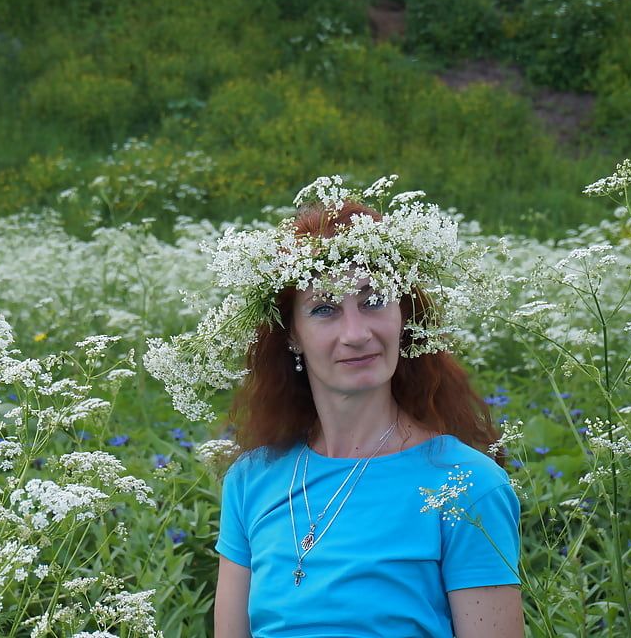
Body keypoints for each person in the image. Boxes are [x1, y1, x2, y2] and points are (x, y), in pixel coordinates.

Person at [200, 186, 524, 637]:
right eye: (325, 309)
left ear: (403, 316)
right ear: (291, 334)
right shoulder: (252, 480)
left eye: (373, 302)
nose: (355, 333)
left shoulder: (466, 485)